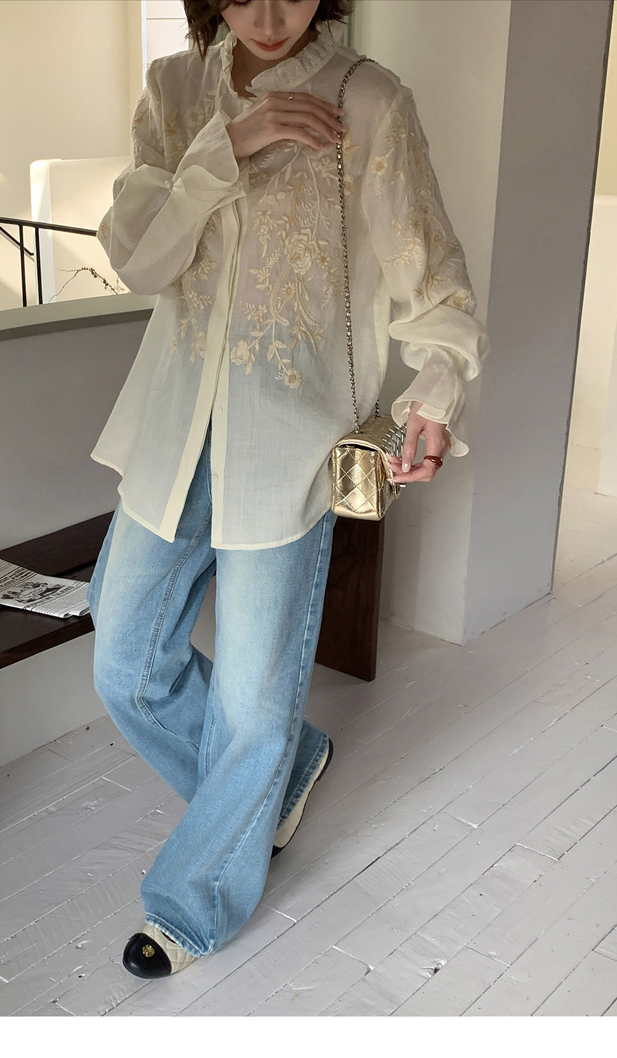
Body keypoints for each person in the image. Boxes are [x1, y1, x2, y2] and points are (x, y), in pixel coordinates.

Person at [88, 0, 489, 979]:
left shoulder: (369, 99)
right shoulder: (174, 91)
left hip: (287, 437)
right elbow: (139, 259)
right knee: (124, 656)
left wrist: (433, 396)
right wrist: (225, 147)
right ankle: (283, 770)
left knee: (253, 696)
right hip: (173, 428)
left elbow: (430, 275)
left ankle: (194, 901)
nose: (270, 12)